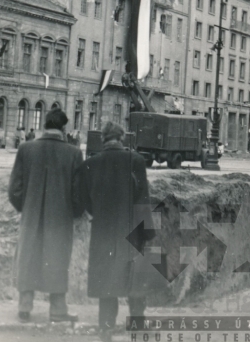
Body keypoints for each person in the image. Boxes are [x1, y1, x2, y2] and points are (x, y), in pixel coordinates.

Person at [75, 121, 155, 341]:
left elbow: (85, 201)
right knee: (134, 279)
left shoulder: (90, 164)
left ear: (103, 140)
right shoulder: (136, 161)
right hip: (132, 231)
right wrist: (147, 233)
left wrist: (99, 213)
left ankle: (106, 328)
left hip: (103, 231)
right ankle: (137, 324)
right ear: (122, 139)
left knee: (106, 281)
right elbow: (142, 201)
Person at [8, 108, 83, 323]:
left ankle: (24, 306)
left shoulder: (25, 149)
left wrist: (28, 207)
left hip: (30, 217)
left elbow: (14, 190)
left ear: (44, 126)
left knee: (28, 256)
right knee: (58, 259)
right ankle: (58, 309)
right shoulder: (74, 153)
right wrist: (73, 213)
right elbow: (78, 194)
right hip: (60, 220)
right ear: (63, 128)